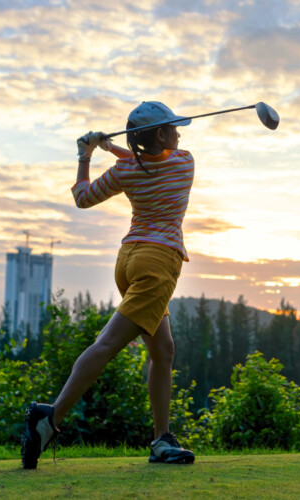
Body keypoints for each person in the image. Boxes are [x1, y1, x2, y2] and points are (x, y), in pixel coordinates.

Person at [21, 101, 196, 469]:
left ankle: (161, 440)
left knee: (163, 349)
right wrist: (114, 147)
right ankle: (50, 419)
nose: (179, 134)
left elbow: (83, 197)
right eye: (173, 128)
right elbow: (153, 157)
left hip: (128, 260)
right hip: (157, 266)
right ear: (162, 134)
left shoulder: (125, 171)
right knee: (106, 345)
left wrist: (86, 154)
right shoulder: (185, 163)